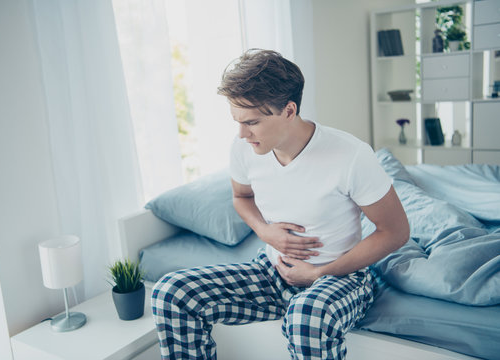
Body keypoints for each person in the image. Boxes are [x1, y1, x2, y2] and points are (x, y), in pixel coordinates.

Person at [151, 49, 409, 360]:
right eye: (237, 122)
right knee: (171, 292)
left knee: (307, 318)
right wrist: (265, 232)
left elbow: (395, 231)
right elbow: (241, 197)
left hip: (339, 277)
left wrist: (319, 273)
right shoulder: (244, 148)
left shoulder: (350, 155)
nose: (242, 134)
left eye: (252, 122)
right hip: (272, 272)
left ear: (289, 110)